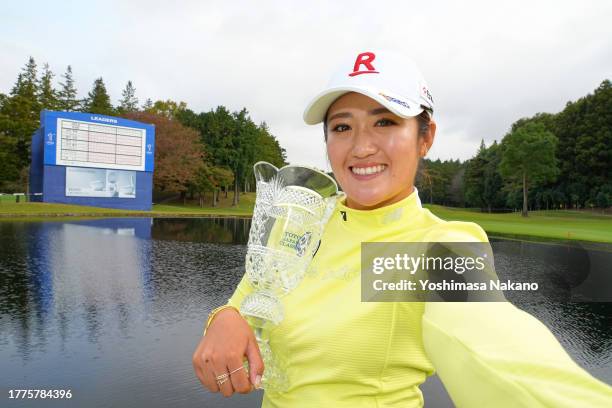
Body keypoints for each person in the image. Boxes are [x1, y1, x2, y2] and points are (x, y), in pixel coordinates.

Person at [193, 50, 612, 407]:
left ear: (425, 137)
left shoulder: (426, 248)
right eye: (342, 127)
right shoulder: (300, 222)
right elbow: (250, 298)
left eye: (386, 122)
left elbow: (496, 349)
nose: (361, 147)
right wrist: (224, 316)